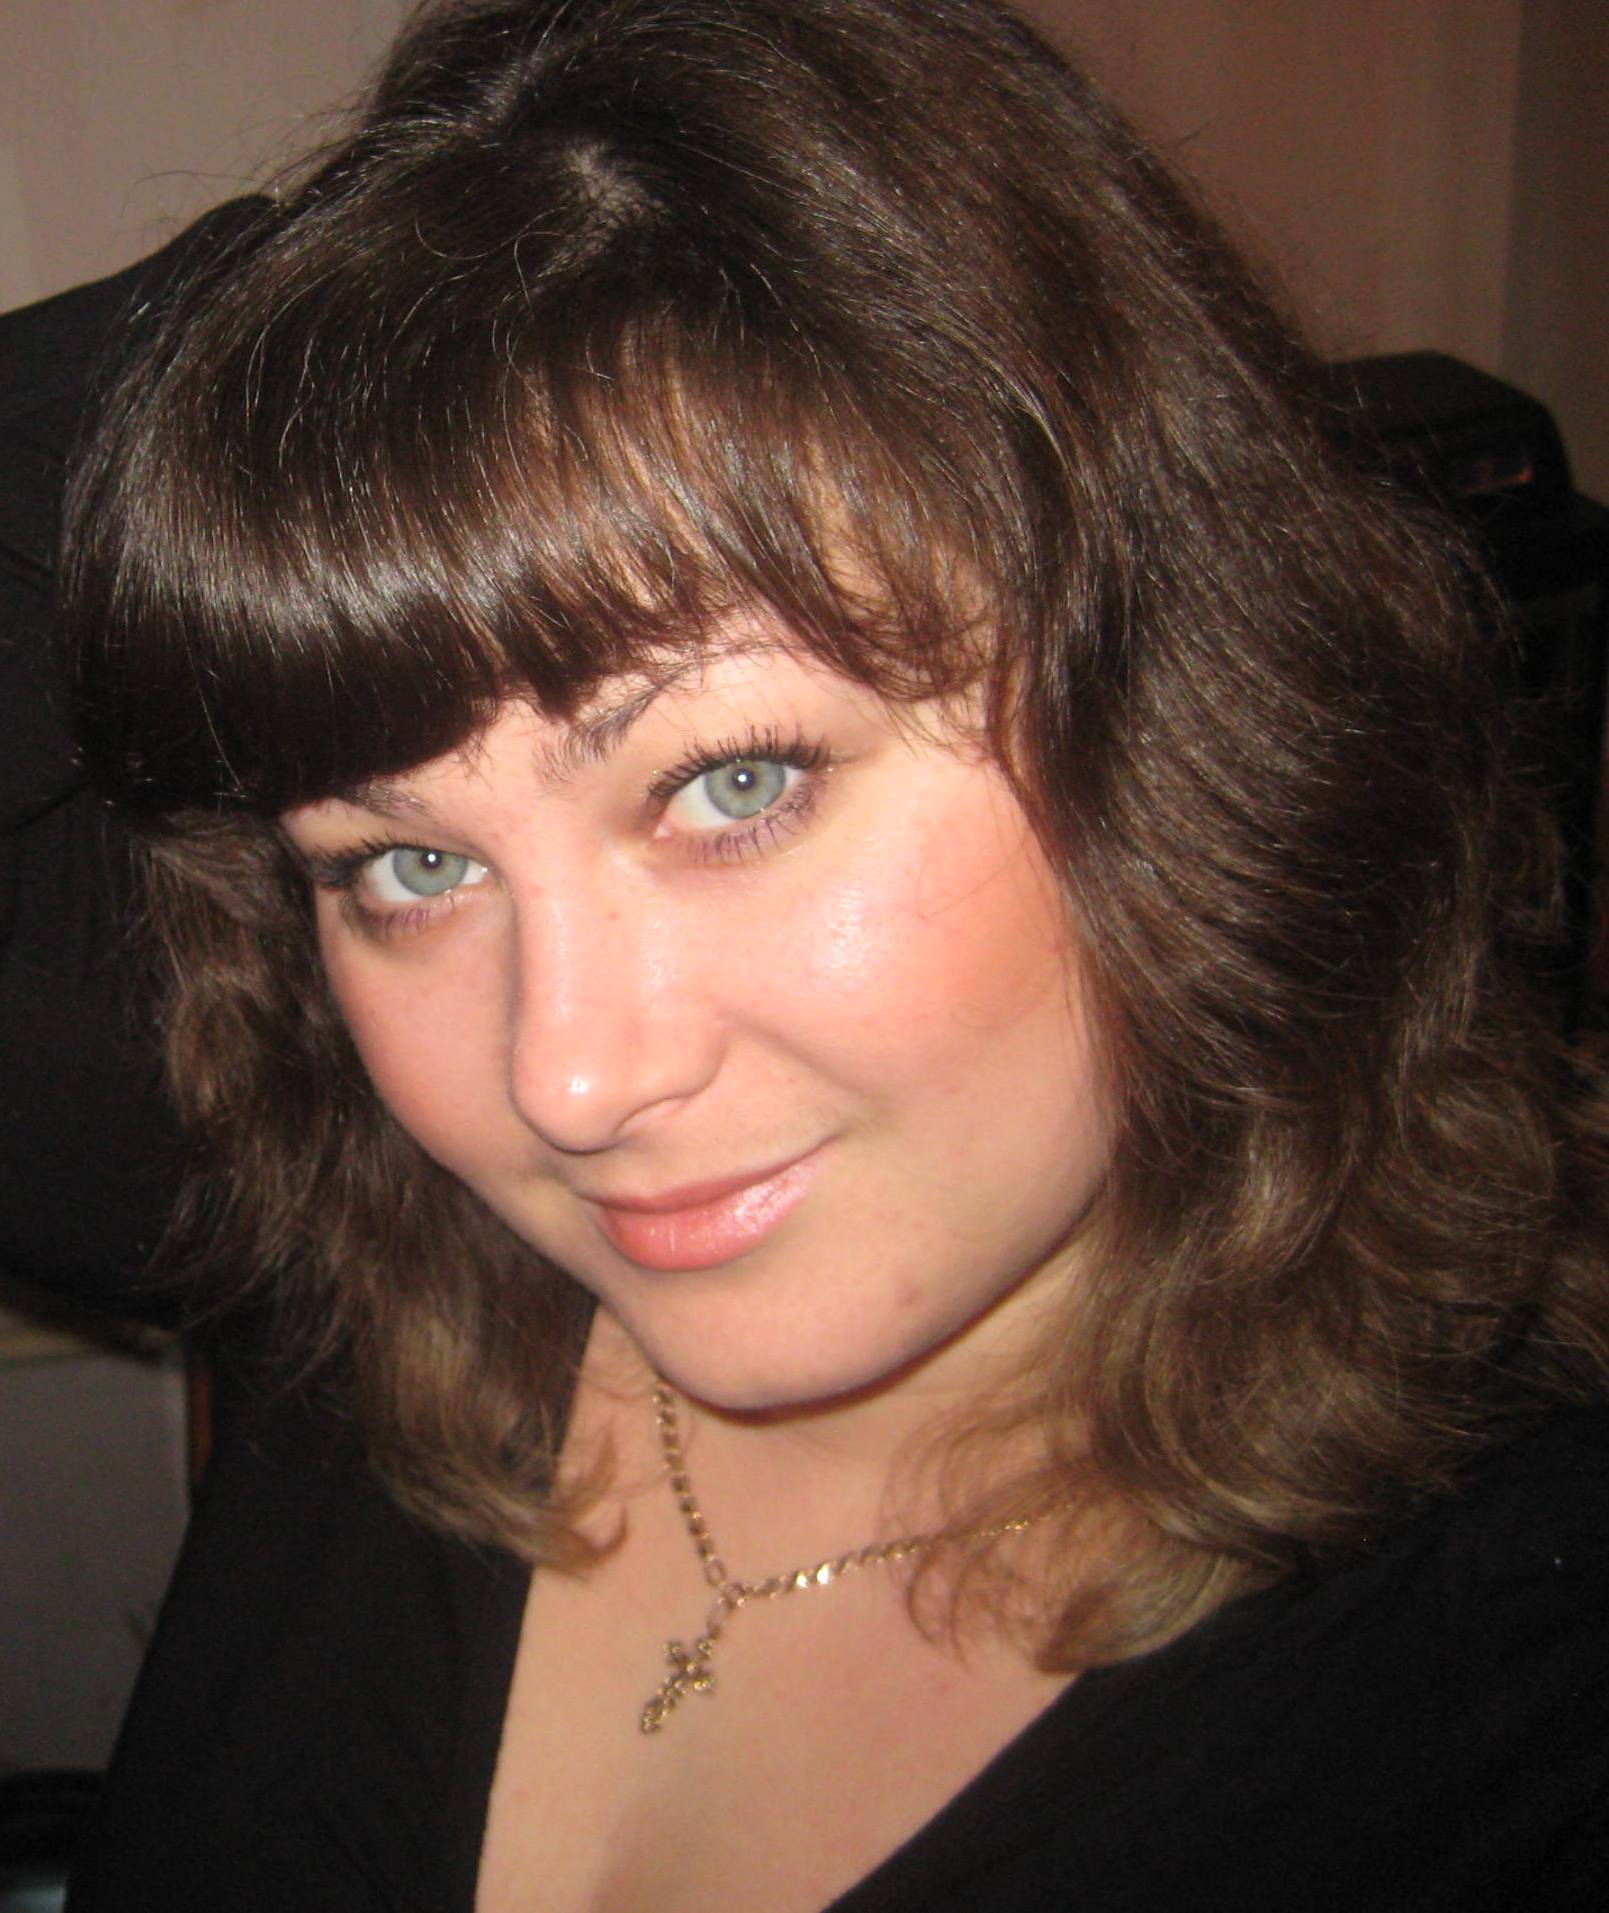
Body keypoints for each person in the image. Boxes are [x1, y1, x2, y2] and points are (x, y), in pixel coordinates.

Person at [54, 0, 1609, 1905]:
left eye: (734, 783)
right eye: (408, 866)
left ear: (1186, 716)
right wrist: (392, 231)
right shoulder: (360, 1299)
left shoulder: (1518, 1694)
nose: (565, 1081)